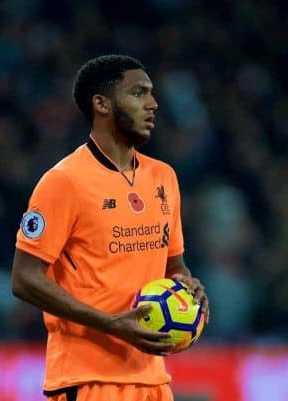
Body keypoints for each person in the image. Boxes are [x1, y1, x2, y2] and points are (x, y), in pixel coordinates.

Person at [11, 54, 210, 401]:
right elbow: (24, 278)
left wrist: (187, 287)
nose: (153, 104)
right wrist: (111, 323)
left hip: (154, 381)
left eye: (151, 94)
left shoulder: (163, 177)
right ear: (101, 103)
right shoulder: (64, 182)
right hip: (89, 380)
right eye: (138, 93)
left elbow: (174, 264)